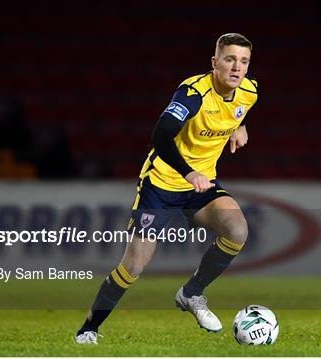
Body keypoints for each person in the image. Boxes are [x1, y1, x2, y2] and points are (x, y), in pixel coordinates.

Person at [75, 33, 258, 344]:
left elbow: (238, 111)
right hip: (161, 184)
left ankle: (191, 294)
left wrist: (239, 127)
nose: (236, 67)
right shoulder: (192, 93)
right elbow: (160, 135)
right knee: (133, 266)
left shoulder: (249, 92)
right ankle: (89, 329)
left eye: (243, 61)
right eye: (229, 59)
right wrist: (188, 173)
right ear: (215, 62)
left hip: (200, 187)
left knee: (237, 230)